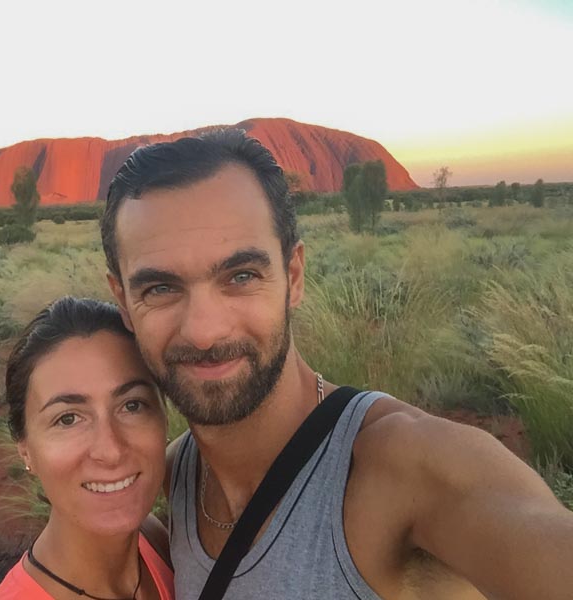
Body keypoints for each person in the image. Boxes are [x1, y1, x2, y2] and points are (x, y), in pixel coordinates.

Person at [100, 130, 573, 599]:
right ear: (123, 300)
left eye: (240, 276)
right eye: (160, 289)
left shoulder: (403, 465)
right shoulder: (171, 476)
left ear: (294, 276)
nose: (204, 330)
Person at [0, 296, 174, 600]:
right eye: (68, 419)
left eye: (132, 405)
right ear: (25, 449)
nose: (111, 450)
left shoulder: (154, 541)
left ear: (165, 417)